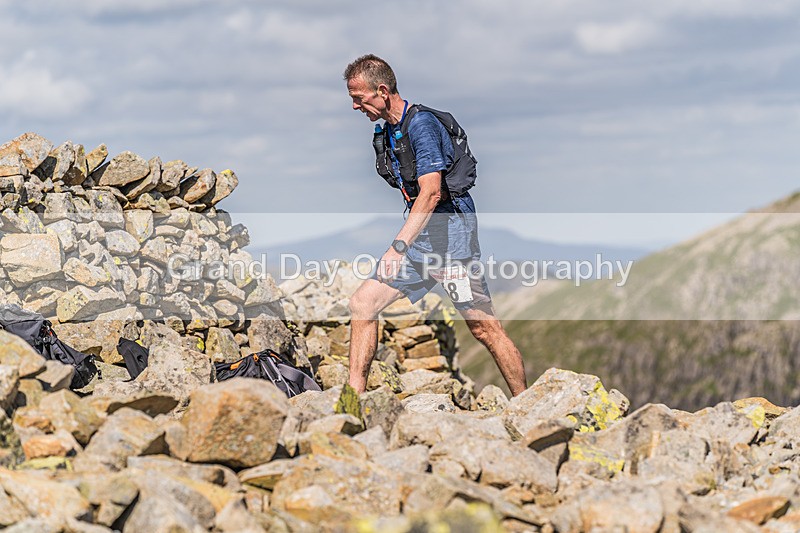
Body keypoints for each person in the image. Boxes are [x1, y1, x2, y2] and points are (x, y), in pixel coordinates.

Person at [343, 54, 528, 396]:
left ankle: (526, 405)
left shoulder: (421, 125)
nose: (355, 106)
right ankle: (352, 401)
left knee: (484, 328)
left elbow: (430, 193)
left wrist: (397, 248)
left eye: (359, 98)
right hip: (422, 244)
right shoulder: (389, 129)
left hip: (450, 243)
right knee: (362, 304)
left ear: (382, 91)